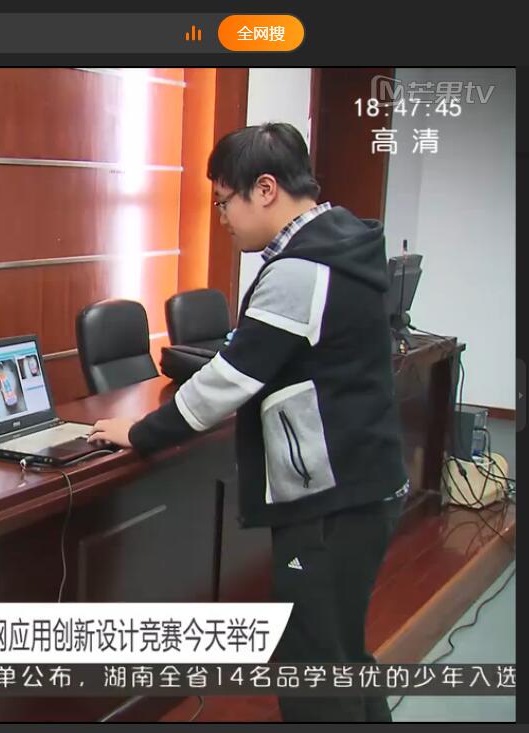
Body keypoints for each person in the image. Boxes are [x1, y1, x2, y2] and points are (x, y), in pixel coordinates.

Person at [88, 122, 409, 722]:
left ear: (265, 189)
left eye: (223, 202)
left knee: (314, 666)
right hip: (363, 484)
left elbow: (231, 379)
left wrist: (141, 432)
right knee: (342, 654)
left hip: (331, 503)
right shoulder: (342, 242)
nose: (222, 219)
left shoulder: (301, 268)